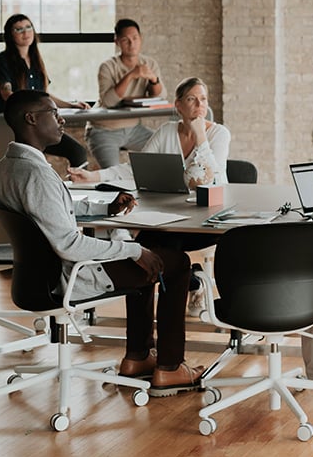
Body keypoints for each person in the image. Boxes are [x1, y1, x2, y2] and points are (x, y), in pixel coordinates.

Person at [0, 89, 205, 397]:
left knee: (146, 263)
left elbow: (52, 210)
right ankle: (171, 368)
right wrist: (134, 250)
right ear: (31, 119)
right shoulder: (37, 174)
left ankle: (138, 357)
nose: (61, 119)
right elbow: (69, 245)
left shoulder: (10, 164)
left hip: (42, 274)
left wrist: (104, 209)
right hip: (70, 275)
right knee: (175, 262)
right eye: (53, 113)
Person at [69, 76, 231, 315]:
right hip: (167, 217)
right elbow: (136, 169)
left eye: (203, 99)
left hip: (204, 221)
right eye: (191, 99)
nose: (200, 105)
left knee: (162, 248)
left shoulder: (219, 134)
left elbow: (208, 179)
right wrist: (94, 176)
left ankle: (176, 312)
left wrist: (201, 137)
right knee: (144, 248)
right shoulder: (166, 132)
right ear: (178, 106)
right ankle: (142, 340)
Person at [0, 13, 89, 167]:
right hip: (13, 124)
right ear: (10, 35)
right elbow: (6, 94)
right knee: (22, 166)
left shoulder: (36, 60)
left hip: (39, 124)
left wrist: (71, 105)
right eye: (19, 29)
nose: (25, 32)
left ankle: (77, 184)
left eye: (29, 27)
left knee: (78, 152)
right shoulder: (1, 60)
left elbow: (44, 96)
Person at [85, 18, 167, 167]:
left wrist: (153, 79)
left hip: (133, 129)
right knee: (113, 177)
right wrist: (131, 75)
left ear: (141, 39)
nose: (132, 43)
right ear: (117, 42)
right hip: (103, 130)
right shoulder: (107, 66)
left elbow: (160, 98)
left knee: (166, 149)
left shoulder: (149, 63)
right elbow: (109, 102)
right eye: (125, 40)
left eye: (135, 38)